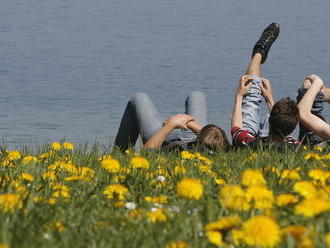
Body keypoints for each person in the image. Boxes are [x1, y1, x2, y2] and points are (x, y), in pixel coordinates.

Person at [231, 23, 300, 148]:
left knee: (251, 95)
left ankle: (259, 52)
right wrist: (269, 99)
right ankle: (259, 53)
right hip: (273, 137)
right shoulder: (295, 146)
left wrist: (240, 95)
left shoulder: (248, 143)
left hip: (256, 137)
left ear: (270, 121)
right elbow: (282, 131)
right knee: (252, 92)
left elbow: (236, 129)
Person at [114, 91, 230, 152]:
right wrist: (189, 124)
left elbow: (147, 153)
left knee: (139, 98)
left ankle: (119, 155)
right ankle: (186, 123)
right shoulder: (212, 150)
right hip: (196, 136)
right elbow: (222, 143)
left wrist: (171, 124)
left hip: (162, 139)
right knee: (196, 95)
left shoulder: (202, 158)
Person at [297, 74, 330, 145]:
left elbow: (302, 113)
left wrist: (317, 83)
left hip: (315, 145)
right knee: (310, 85)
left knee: (309, 85)